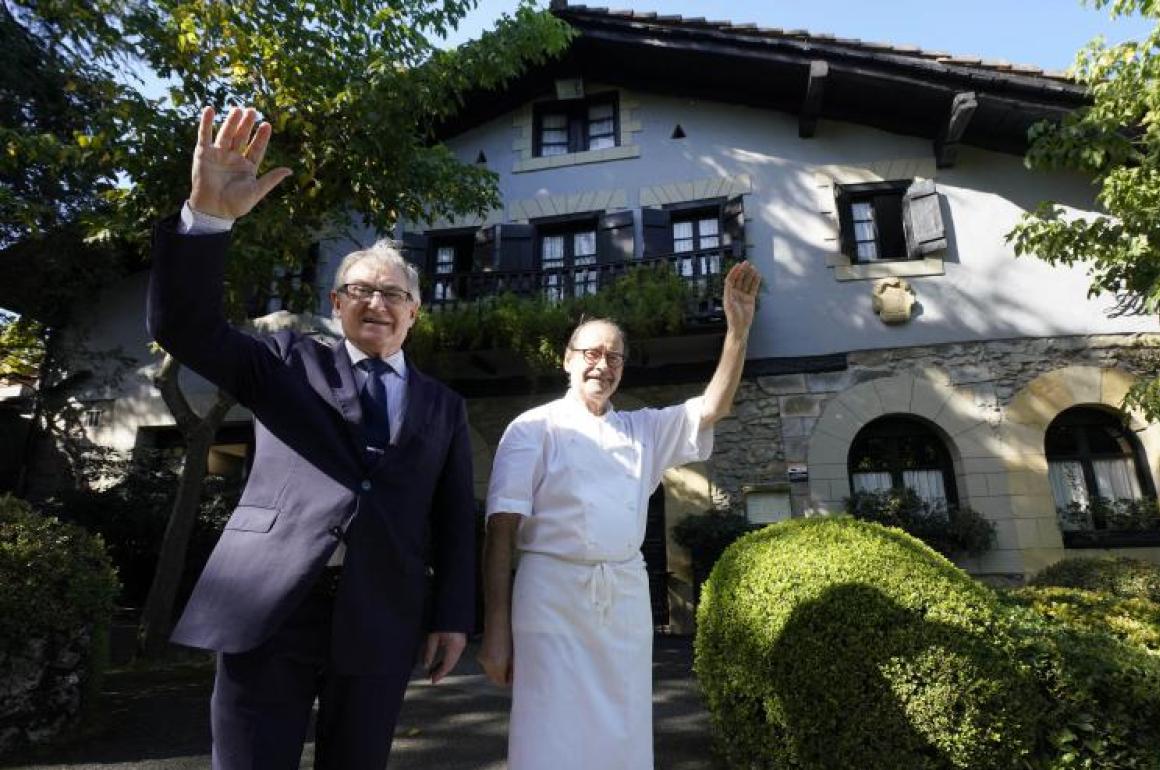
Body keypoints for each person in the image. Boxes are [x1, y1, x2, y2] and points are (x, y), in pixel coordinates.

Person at [147, 105, 476, 770]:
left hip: (381, 615)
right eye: (359, 290)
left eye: (392, 294)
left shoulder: (445, 407)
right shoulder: (285, 359)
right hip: (268, 606)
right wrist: (208, 219)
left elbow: (453, 521)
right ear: (335, 304)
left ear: (415, 312)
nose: (376, 304)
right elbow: (186, 329)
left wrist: (452, 615)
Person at [479, 260, 761, 770]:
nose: (602, 365)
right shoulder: (531, 429)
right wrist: (496, 630)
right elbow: (501, 532)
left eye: (614, 357)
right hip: (550, 599)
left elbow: (710, 408)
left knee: (623, 726)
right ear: (567, 360)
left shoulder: (641, 431)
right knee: (551, 730)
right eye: (591, 353)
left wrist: (737, 332)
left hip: (624, 598)